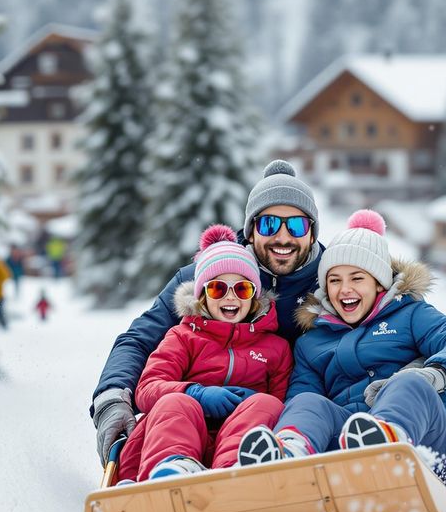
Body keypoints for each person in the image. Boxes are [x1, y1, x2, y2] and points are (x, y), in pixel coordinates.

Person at [90, 160, 324, 466]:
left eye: (296, 225)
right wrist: (112, 398)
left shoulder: (334, 282)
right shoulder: (205, 277)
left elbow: (375, 333)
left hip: (266, 422)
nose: (282, 237)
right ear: (251, 230)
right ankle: (168, 469)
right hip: (188, 417)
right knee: (175, 409)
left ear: (312, 232)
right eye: (268, 224)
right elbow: (140, 340)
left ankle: (240, 471)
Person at [236, 210, 446, 482]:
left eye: (357, 278)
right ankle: (289, 455)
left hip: (429, 437)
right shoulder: (312, 342)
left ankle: (387, 445)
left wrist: (434, 373)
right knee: (306, 402)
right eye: (334, 280)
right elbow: (302, 400)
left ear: (378, 283)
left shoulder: (410, 315)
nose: (345, 289)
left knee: (406, 383)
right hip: (349, 442)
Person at [114, 226, 292, 481]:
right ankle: (171, 469)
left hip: (237, 439)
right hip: (180, 436)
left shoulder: (276, 348)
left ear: (254, 296)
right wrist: (194, 393)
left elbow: (282, 406)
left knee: (267, 404)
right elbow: (147, 389)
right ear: (202, 296)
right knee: (176, 403)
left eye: (242, 289)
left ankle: (237, 468)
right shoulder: (183, 337)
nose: (230, 297)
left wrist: (254, 403)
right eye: (218, 289)